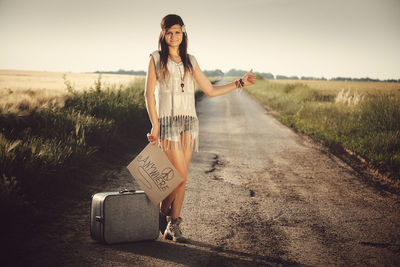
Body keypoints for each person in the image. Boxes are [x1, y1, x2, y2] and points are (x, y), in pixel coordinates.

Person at [144, 14, 256, 242]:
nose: (173, 36)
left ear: (183, 32)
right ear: (163, 34)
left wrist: (240, 83)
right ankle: (164, 215)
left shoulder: (190, 60)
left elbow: (210, 91)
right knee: (177, 176)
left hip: (189, 123)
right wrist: (155, 124)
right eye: (169, 32)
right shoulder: (156, 59)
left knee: (183, 177)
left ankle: (171, 225)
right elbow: (148, 95)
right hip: (168, 122)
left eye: (177, 31)